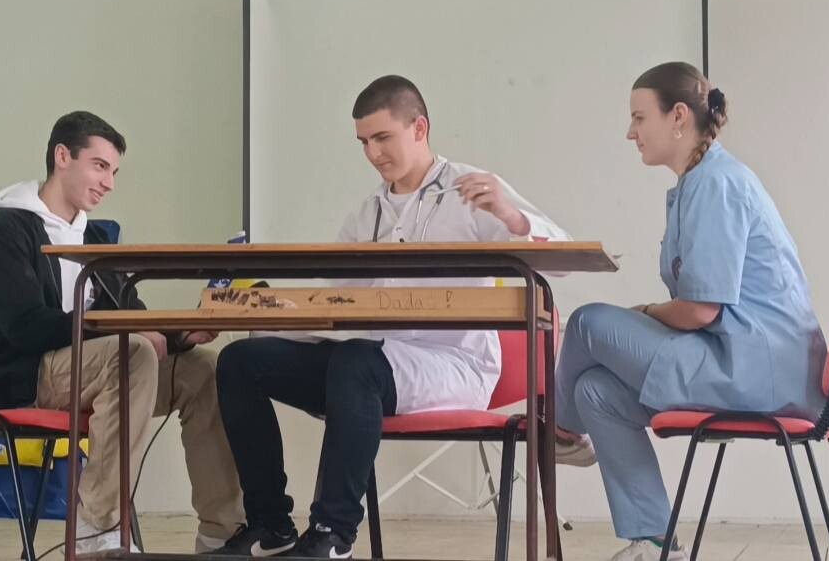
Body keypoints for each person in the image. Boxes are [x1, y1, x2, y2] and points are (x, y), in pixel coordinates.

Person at [212, 75, 570, 558]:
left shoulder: (471, 190)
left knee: (357, 362)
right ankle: (270, 525)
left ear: (419, 128)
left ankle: (332, 535)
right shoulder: (368, 215)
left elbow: (563, 261)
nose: (373, 153)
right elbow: (337, 307)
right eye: (363, 142)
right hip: (373, 366)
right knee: (241, 361)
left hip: (453, 367)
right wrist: (262, 308)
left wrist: (512, 218)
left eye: (383, 137)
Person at [553, 62, 826, 561]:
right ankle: (656, 542)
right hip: (732, 357)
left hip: (756, 369)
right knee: (596, 390)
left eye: (639, 118)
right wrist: (651, 314)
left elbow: (700, 310)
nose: (630, 132)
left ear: (678, 116)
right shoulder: (698, 183)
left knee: (588, 322)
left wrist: (648, 311)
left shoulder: (717, 184)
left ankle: (560, 433)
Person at [0, 111, 244, 554]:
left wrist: (180, 335)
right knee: (130, 354)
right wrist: (121, 334)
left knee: (203, 369)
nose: (109, 183)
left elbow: (133, 316)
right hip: (17, 375)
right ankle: (97, 531)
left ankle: (221, 533)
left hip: (89, 372)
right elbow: (24, 327)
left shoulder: (94, 240)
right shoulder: (2, 231)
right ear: (62, 156)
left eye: (114, 172)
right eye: (100, 166)